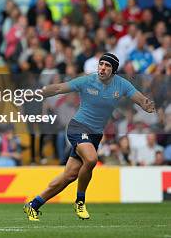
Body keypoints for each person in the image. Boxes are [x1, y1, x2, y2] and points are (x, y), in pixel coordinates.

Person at [23, 53, 155, 221]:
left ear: (113, 70)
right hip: (78, 127)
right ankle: (80, 201)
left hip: (95, 134)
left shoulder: (122, 84)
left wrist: (147, 105)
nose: (103, 68)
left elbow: (138, 97)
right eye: (101, 64)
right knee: (91, 159)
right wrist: (38, 93)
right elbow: (58, 88)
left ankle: (33, 205)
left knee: (69, 176)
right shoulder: (87, 81)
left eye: (107, 65)